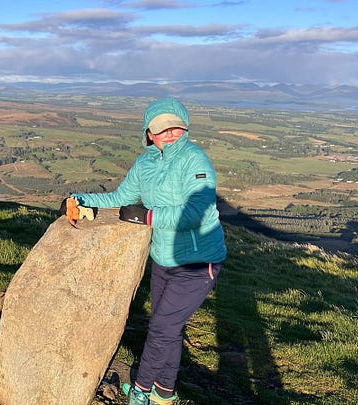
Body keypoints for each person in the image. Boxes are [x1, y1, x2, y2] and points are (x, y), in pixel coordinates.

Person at [66, 97, 227, 405]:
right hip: (164, 258)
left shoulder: (195, 160)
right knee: (169, 329)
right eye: (160, 129)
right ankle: (164, 395)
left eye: (175, 127)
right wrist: (79, 199)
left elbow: (196, 212)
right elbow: (121, 196)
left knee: (161, 328)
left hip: (198, 261)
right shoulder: (146, 163)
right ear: (149, 133)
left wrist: (148, 217)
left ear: (185, 128)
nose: (169, 134)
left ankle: (141, 391)